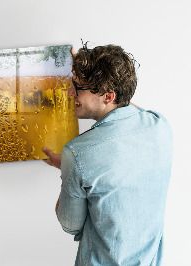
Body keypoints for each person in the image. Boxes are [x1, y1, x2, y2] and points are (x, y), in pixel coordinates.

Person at [42, 43, 173, 265]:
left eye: (79, 87)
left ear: (108, 96)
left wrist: (68, 168)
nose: (70, 91)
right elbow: (126, 105)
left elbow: (70, 225)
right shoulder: (160, 125)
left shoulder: (77, 153)